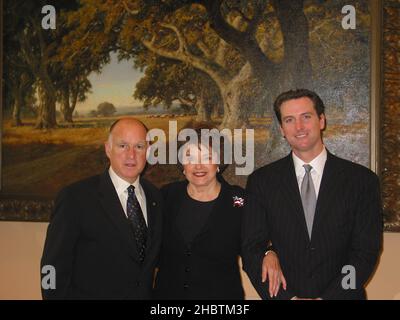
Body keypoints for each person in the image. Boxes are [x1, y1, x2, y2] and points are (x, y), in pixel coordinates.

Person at [242, 89, 382, 300]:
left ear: (322, 120)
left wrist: (330, 298)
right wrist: (286, 298)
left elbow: (365, 253)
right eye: (289, 120)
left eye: (306, 117)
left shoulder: (362, 181)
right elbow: (251, 249)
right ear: (281, 129)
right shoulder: (261, 182)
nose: (299, 127)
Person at [153, 124, 285, 300]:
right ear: (182, 164)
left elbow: (258, 240)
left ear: (219, 162)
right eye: (190, 157)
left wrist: (270, 252)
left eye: (207, 157)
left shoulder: (238, 200)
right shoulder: (166, 196)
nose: (198, 166)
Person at [41, 118, 163, 299]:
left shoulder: (155, 197)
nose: (131, 155)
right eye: (123, 146)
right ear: (108, 149)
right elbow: (51, 267)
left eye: (139, 146)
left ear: (149, 151)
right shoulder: (75, 198)